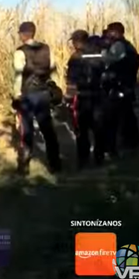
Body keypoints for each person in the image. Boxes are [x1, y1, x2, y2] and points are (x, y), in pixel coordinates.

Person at [11, 21, 62, 175]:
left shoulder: (20, 52)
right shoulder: (46, 49)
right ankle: (55, 164)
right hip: (44, 94)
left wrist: (16, 95)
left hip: (27, 95)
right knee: (48, 129)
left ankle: (24, 167)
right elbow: (53, 70)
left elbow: (18, 76)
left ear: (23, 34)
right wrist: (56, 87)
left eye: (20, 33)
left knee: (26, 129)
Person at [64, 30, 107, 169]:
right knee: (99, 129)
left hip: (82, 98)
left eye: (73, 42)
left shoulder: (76, 57)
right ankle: (99, 158)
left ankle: (83, 160)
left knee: (81, 131)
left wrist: (68, 100)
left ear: (77, 41)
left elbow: (72, 81)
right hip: (99, 96)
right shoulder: (100, 53)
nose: (73, 45)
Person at [102, 22, 139, 154]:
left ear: (115, 32)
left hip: (119, 86)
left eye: (109, 31)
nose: (107, 34)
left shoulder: (118, 46)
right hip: (126, 85)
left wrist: (104, 49)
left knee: (113, 118)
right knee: (127, 115)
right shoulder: (128, 45)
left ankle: (113, 147)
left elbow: (108, 61)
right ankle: (131, 143)